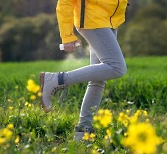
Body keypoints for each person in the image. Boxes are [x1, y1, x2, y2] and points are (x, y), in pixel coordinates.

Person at [40, 0, 129, 140]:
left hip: (109, 17)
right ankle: (56, 80)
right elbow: (64, 2)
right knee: (116, 67)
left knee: (98, 80)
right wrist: (67, 35)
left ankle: (82, 132)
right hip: (93, 18)